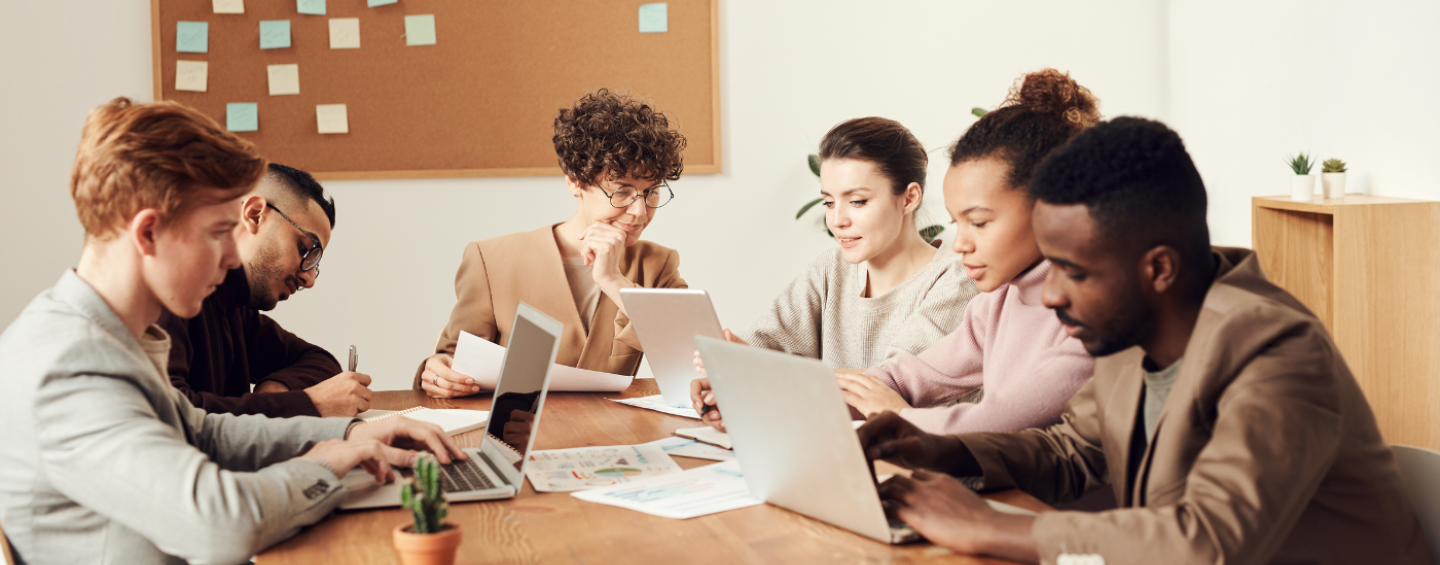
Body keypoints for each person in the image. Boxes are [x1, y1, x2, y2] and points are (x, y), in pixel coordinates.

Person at [860, 117, 1430, 564]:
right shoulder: (1133, 335)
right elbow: (1074, 450)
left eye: (1073, 271)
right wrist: (945, 449)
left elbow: (1207, 544)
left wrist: (994, 527)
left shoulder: (1277, 352)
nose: (1051, 295)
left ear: (1158, 268)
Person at [0, 98, 465, 565]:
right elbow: (218, 525)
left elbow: (202, 432)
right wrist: (324, 463)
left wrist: (349, 436)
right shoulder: (68, 367)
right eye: (219, 231)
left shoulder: (109, 336)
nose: (230, 257)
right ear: (147, 234)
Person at [695, 70, 1097, 435]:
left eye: (979, 222)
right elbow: (898, 379)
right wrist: (753, 397)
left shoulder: (1088, 319)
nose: (959, 244)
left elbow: (991, 424)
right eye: (958, 223)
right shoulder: (995, 304)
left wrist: (896, 414)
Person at [418, 89, 688, 398]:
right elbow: (450, 359)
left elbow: (691, 359)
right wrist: (439, 372)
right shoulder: (491, 260)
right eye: (622, 191)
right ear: (575, 180)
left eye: (651, 192)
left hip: (614, 435)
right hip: (520, 432)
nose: (640, 211)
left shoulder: (657, 264)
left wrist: (613, 281)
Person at [158, 163, 374, 418]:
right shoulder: (169, 291)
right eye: (306, 250)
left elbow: (320, 360)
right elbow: (172, 416)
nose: (309, 279)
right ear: (254, 214)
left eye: (315, 262)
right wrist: (305, 403)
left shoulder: (237, 308)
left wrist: (279, 388)